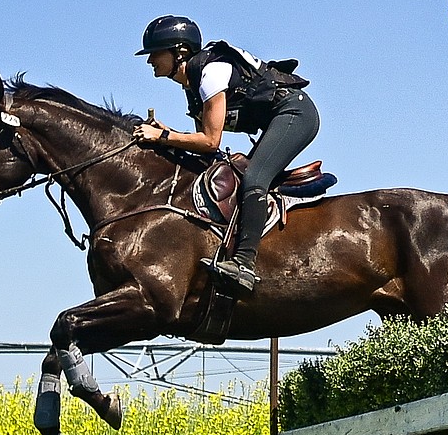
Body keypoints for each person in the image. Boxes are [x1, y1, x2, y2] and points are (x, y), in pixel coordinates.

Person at [132, 15, 320, 297]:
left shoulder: (210, 74)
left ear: (179, 51)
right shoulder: (192, 86)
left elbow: (209, 141)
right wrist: (168, 134)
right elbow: (202, 148)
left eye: (155, 53)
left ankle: (244, 265)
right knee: (236, 178)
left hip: (295, 114)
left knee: (254, 179)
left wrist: (162, 137)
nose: (150, 61)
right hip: (276, 120)